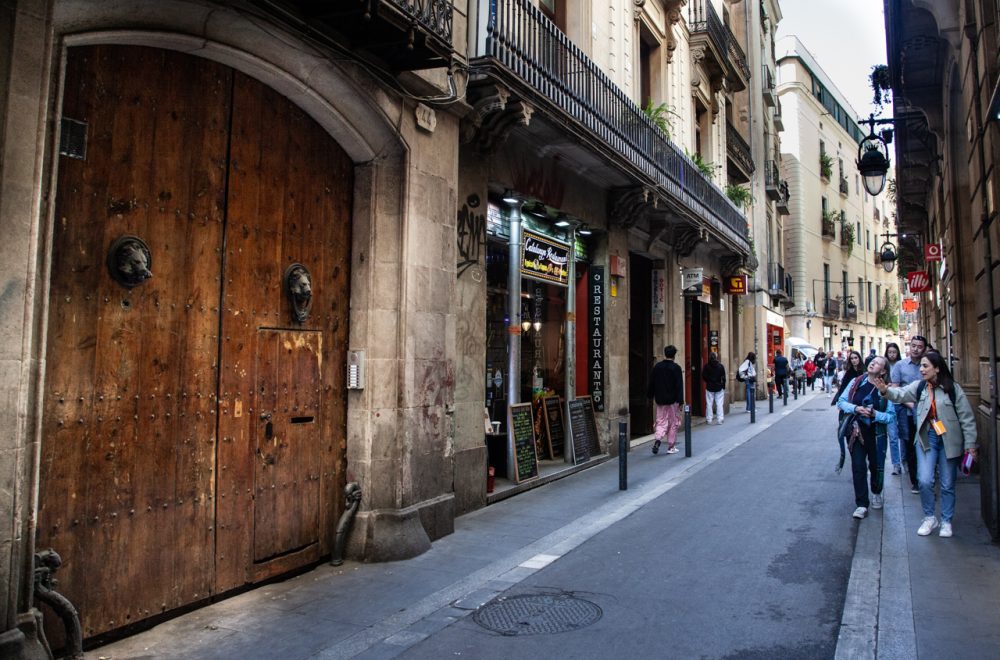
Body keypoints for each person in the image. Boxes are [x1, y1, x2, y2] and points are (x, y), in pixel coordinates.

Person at [874, 351, 978, 537]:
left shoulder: (953, 389)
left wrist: (970, 445)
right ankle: (930, 517)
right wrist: (885, 390)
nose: (921, 369)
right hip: (926, 438)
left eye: (925, 366)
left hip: (949, 440)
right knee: (924, 479)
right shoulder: (920, 386)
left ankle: (946, 521)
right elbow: (900, 394)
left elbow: (967, 419)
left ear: (937, 368)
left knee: (947, 484)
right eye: (921, 366)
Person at [837, 356, 896, 519]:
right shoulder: (857, 382)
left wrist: (875, 414)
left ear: (883, 371)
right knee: (858, 466)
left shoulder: (886, 389)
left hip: (876, 434)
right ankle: (861, 504)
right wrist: (856, 408)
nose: (872, 363)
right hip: (856, 432)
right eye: (872, 361)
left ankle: (876, 491)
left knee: (876, 466)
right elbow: (841, 402)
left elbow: (891, 416)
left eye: (877, 363)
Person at [890, 335, 927, 494]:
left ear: (923, 349)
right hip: (907, 412)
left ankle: (926, 476)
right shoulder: (900, 365)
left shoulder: (927, 365)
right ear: (909, 347)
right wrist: (911, 405)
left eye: (919, 346)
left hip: (927, 412)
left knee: (926, 444)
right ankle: (915, 481)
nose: (916, 349)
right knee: (910, 445)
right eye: (913, 345)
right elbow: (896, 388)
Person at [648, 345, 684, 455]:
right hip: (673, 400)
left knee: (661, 420)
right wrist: (681, 401)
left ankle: (658, 438)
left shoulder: (657, 367)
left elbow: (652, 383)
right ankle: (671, 446)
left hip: (660, 399)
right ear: (674, 355)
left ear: (665, 353)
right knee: (673, 422)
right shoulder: (676, 368)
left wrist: (650, 395)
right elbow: (679, 386)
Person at [884, 342, 904, 475]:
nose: (892, 354)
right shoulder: (883, 366)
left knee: (903, 435)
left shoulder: (902, 365)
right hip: (888, 404)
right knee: (892, 436)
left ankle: (905, 459)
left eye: (894, 352)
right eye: (889, 352)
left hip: (902, 404)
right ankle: (896, 464)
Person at [702, 352, 726, 425]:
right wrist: (723, 386)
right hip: (719, 386)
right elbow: (723, 377)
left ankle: (709, 419)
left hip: (710, 386)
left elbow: (703, 376)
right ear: (716, 357)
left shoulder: (706, 366)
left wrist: (708, 381)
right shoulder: (720, 366)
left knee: (709, 403)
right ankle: (720, 419)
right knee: (719, 403)